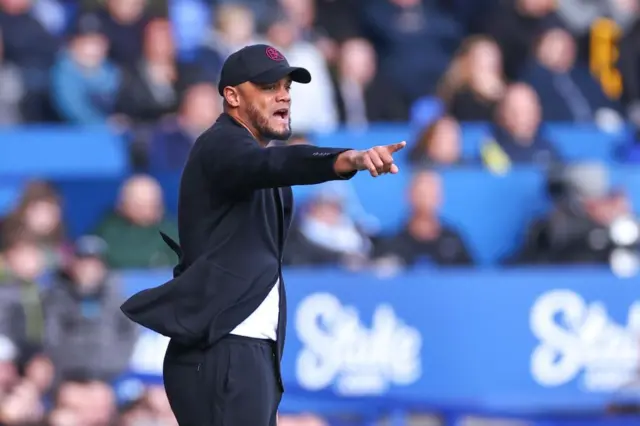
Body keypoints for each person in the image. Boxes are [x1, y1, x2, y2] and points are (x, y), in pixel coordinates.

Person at [120, 44, 405, 426]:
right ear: (233, 96)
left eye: (287, 86)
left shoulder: (260, 164)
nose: (284, 94)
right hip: (223, 349)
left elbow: (270, 168)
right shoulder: (220, 144)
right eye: (269, 86)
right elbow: (271, 164)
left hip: (244, 349)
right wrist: (346, 159)